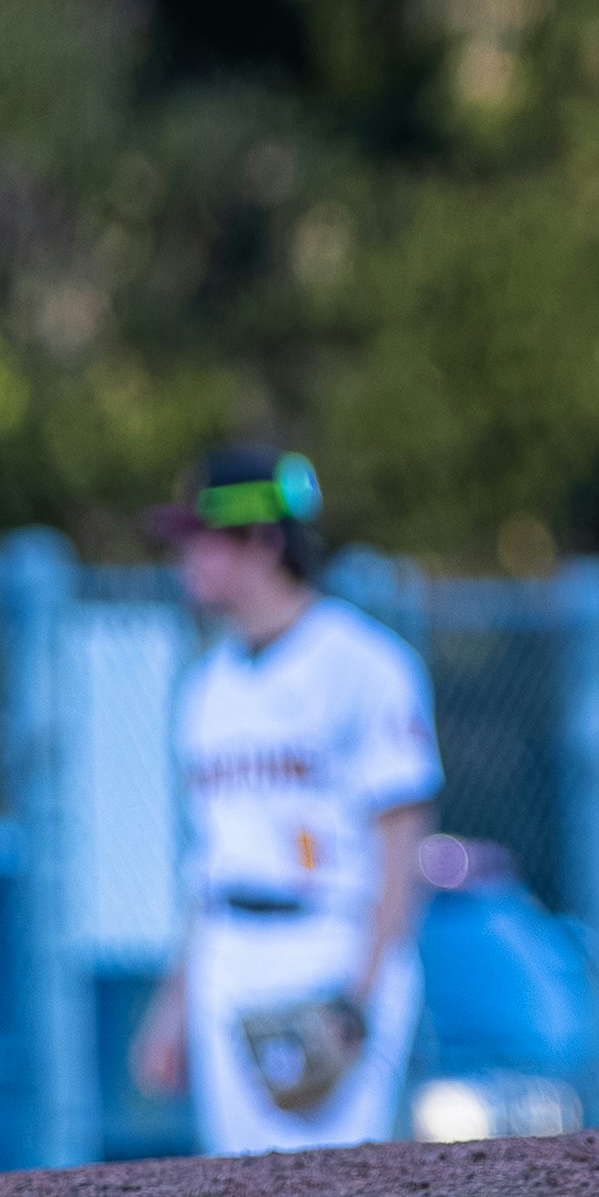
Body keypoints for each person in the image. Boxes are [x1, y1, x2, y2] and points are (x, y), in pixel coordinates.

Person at [127, 451, 439, 1154]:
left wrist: (358, 995)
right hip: (228, 951)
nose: (185, 555)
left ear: (263, 541)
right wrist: (172, 1005)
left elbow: (401, 841)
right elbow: (209, 861)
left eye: (203, 537)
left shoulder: (361, 663)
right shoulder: (205, 687)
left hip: (330, 942)